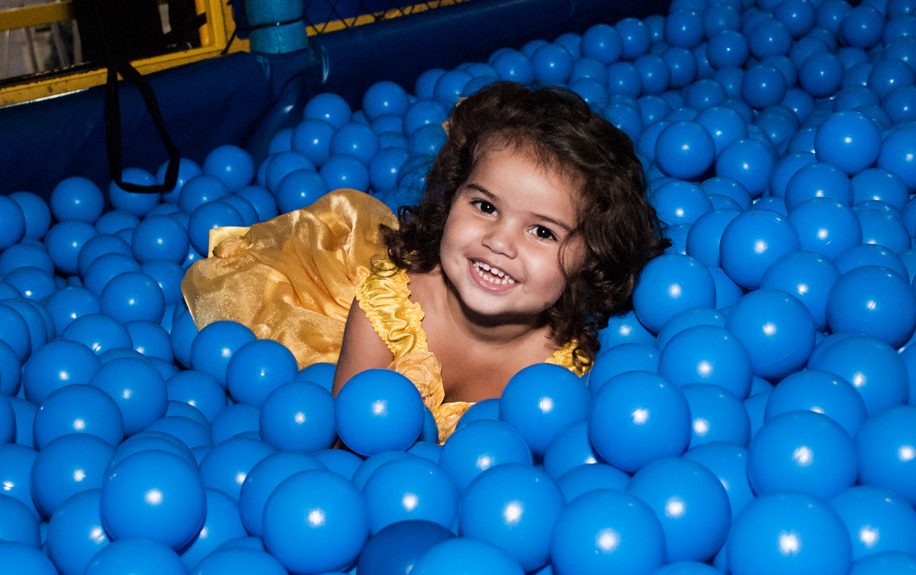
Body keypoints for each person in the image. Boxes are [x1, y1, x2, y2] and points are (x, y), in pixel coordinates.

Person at [182, 81, 664, 441]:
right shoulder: (388, 308)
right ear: (451, 197)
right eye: (485, 206)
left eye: (542, 231)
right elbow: (351, 432)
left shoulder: (567, 371)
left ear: (591, 259)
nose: (499, 241)